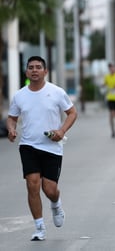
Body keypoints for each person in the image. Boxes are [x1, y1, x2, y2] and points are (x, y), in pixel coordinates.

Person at [6, 56, 77, 241]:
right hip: (28, 146)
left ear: (45, 71)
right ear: (26, 72)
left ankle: (56, 204)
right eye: (31, 67)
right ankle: (39, 228)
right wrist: (11, 129)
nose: (34, 70)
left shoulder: (56, 92)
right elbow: (12, 117)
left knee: (50, 189)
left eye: (38, 67)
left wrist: (62, 131)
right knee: (32, 184)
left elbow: (72, 112)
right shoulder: (19, 95)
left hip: (52, 146)